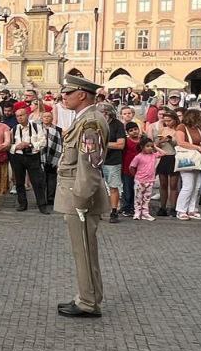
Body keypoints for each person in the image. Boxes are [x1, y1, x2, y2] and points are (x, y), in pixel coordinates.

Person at [53, 75, 109, 319]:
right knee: (85, 250)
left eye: (68, 92)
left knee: (84, 250)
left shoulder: (90, 123)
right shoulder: (85, 119)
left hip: (81, 197)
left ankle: (87, 302)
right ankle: (90, 296)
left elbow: (89, 165)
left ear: (82, 94)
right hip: (76, 193)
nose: (63, 97)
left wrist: (81, 200)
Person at [9, 102, 49, 214]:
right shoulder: (14, 129)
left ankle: (42, 205)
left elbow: (43, 142)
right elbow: (9, 145)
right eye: (17, 116)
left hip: (33, 157)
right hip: (18, 157)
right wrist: (17, 146)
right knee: (19, 182)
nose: (19, 118)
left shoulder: (37, 127)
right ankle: (22, 204)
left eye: (21, 115)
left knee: (37, 182)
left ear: (27, 115)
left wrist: (29, 145)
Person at [173, 109, 201, 220]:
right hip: (188, 158)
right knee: (188, 185)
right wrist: (199, 148)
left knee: (197, 186)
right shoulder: (182, 127)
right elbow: (181, 142)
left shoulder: (199, 128)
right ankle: (181, 210)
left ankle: (192, 209)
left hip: (198, 158)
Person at [101, 104, 127, 222]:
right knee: (96, 187)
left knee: (113, 186)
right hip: (97, 160)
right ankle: (97, 211)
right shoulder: (96, 123)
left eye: (105, 113)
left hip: (112, 161)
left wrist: (102, 144)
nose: (103, 115)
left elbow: (120, 144)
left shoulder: (118, 125)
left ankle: (114, 211)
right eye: (101, 113)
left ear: (110, 113)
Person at [128, 137, 161, 221]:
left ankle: (145, 213)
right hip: (140, 180)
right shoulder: (138, 157)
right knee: (138, 197)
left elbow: (164, 153)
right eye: (147, 146)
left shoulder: (153, 155)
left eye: (151, 146)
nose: (150, 148)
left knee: (147, 198)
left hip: (150, 180)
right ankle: (137, 213)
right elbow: (132, 167)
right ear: (142, 147)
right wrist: (135, 176)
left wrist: (155, 147)